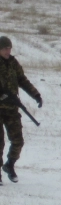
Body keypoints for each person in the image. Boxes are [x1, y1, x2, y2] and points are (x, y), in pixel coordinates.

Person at [0, 36, 43, 184]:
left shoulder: (13, 63)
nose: (8, 51)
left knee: (18, 141)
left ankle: (9, 165)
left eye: (9, 48)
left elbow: (22, 80)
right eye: (5, 48)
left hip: (12, 109)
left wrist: (35, 94)